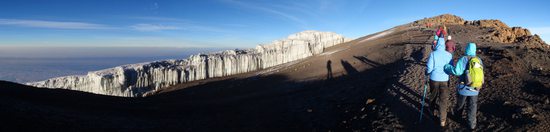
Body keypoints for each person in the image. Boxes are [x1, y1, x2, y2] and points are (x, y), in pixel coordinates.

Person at [444, 43, 484, 129]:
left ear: (467, 49)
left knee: (460, 104)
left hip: (464, 88)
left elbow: (457, 72)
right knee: (472, 106)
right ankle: (472, 124)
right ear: (474, 50)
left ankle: (457, 117)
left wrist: (447, 67)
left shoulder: (464, 59)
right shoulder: (479, 60)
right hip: (475, 88)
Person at [426, 35, 453, 127]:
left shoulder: (433, 54)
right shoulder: (449, 55)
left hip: (434, 79)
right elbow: (450, 68)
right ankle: (442, 120)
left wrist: (427, 72)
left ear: (437, 44)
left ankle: (431, 110)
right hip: (445, 80)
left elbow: (429, 68)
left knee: (433, 96)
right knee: (443, 100)